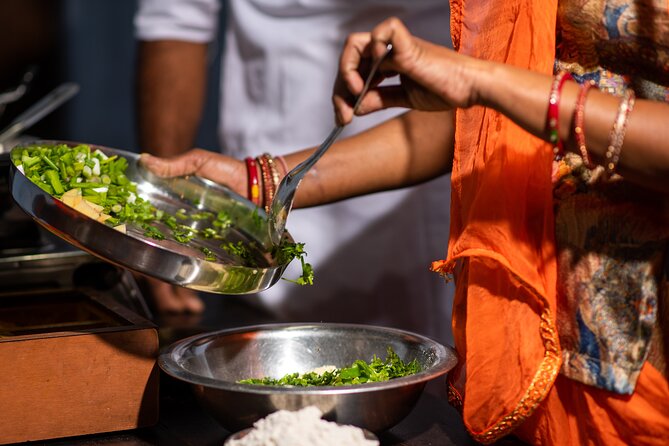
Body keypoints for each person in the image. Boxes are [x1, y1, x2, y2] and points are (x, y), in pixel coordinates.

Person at [142, 0, 669, 443]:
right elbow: (487, 117)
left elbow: (501, 92)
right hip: (549, 335)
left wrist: (484, 80)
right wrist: (260, 181)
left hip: (649, 344)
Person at [133, 0, 455, 345]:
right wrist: (171, 207)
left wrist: (258, 181)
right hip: (268, 221)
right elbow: (175, 19)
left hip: (430, 216)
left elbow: (478, 106)